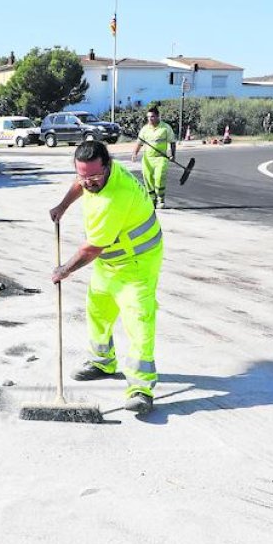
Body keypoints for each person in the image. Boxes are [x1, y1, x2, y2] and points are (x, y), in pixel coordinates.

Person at [49, 141, 164, 414]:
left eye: (94, 176)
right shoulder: (93, 176)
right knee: (98, 308)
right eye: (83, 175)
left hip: (137, 262)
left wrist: (64, 270)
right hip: (110, 259)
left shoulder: (116, 196)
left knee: (138, 319)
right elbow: (81, 183)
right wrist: (63, 206)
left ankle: (141, 388)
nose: (89, 182)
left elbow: (91, 249)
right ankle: (103, 362)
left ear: (108, 166)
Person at [132, 105, 175, 208]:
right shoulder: (145, 129)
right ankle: (152, 199)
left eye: (152, 116)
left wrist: (172, 155)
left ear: (158, 116)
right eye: (148, 117)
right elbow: (139, 143)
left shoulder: (165, 128)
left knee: (159, 178)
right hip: (148, 158)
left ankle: (160, 199)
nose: (150, 119)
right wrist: (134, 153)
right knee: (148, 179)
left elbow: (172, 142)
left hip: (161, 158)